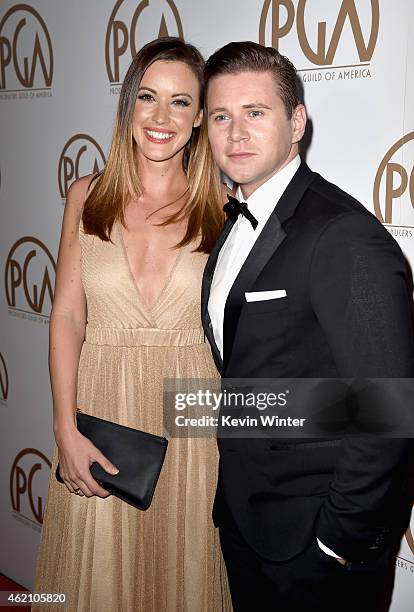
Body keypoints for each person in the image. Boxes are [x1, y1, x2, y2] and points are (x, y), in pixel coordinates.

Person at [201, 41, 414, 612]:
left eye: (256, 112)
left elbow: (388, 408)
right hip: (248, 520)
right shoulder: (235, 223)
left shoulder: (342, 234)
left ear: (296, 122)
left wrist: (334, 542)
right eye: (221, 116)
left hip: (316, 544)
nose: (236, 133)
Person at [34, 37, 232, 612]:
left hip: (192, 415)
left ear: (199, 117)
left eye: (180, 102)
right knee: (92, 579)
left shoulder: (225, 206)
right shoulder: (86, 197)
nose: (161, 117)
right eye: (148, 97)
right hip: (99, 410)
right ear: (128, 106)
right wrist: (64, 430)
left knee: (187, 574)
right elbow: (68, 318)